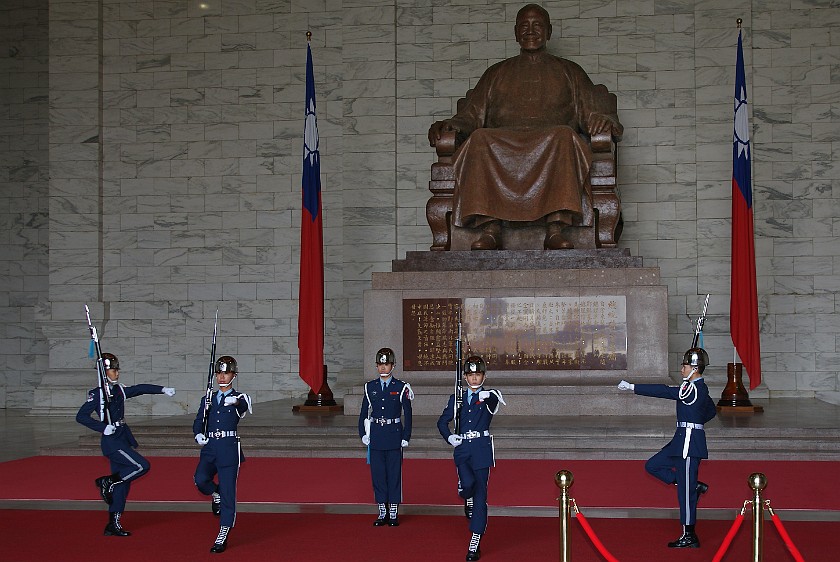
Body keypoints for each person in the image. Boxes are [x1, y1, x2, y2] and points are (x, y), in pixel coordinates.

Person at [428, 3, 623, 251]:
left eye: (537, 25)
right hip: (502, 142)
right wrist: (449, 124)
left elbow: (591, 114)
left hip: (552, 142)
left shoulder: (570, 71)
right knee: (479, 139)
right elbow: (472, 116)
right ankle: (490, 228)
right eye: (524, 26)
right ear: (516, 32)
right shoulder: (496, 73)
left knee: (564, 135)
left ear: (549, 31)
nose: (530, 31)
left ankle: (555, 227)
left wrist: (604, 120)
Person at [617, 347, 717, 548]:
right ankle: (691, 485)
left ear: (695, 369)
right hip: (680, 441)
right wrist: (696, 420)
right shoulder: (694, 388)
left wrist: (633, 387)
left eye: (685, 366)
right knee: (653, 465)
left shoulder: (695, 388)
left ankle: (689, 535)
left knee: (685, 495)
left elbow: (664, 391)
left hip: (689, 444)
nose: (681, 369)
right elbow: (711, 411)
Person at [76, 352, 176, 536]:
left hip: (122, 438)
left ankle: (113, 523)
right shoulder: (98, 394)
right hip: (112, 442)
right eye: (113, 370)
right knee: (141, 466)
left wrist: (162, 389)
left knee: (123, 483)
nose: (117, 373)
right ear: (104, 372)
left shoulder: (119, 390)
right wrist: (102, 427)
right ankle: (106, 482)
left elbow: (139, 389)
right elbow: (80, 416)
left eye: (117, 369)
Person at [437, 356, 506, 561]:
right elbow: (442, 422)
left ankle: (475, 540)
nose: (474, 379)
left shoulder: (489, 395)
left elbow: (493, 400)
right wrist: (449, 437)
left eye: (478, 375)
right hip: (463, 449)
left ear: (484, 376)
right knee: (467, 485)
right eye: (471, 375)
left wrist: (484, 395)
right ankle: (465, 492)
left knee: (480, 496)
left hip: (482, 450)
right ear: (465, 377)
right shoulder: (456, 399)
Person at [192, 355, 252, 553]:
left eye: (226, 373)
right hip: (210, 448)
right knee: (200, 479)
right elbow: (199, 420)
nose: (222, 377)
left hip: (228, 448)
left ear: (234, 375)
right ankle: (213, 493)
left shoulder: (240, 398)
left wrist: (235, 402)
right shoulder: (207, 398)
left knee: (228, 492)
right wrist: (198, 433)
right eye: (219, 373)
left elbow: (244, 406)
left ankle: (223, 531)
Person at [358, 347, 414, 526]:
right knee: (378, 474)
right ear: (376, 366)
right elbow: (363, 412)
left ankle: (394, 510)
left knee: (393, 474)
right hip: (376, 435)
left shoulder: (401, 387)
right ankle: (382, 509)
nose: (383, 368)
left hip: (393, 434)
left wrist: (406, 435)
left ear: (393, 365)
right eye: (380, 364)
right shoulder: (370, 387)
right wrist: (363, 434)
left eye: (386, 364)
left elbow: (408, 413)